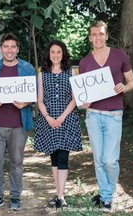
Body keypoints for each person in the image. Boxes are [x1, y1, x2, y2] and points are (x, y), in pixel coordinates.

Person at [79, 20, 133, 210]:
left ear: (106, 35)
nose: (98, 37)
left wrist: (124, 87)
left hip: (113, 115)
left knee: (110, 160)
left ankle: (108, 192)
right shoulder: (85, 62)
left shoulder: (119, 55)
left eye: (101, 33)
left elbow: (132, 82)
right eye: (94, 34)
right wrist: (84, 101)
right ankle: (106, 198)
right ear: (90, 37)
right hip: (93, 115)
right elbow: (83, 93)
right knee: (99, 159)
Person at [0, 33, 35, 211]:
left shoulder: (27, 68)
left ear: (17, 49)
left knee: (16, 162)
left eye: (13, 47)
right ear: (1, 49)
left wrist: (26, 102)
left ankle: (15, 197)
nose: (9, 50)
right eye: (6, 47)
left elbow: (34, 94)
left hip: (18, 125)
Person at [34, 40, 82, 208]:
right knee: (53, 158)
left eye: (59, 52)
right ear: (48, 54)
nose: (55, 55)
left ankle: (61, 197)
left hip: (66, 119)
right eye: (52, 52)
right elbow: (39, 100)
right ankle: (58, 194)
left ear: (63, 54)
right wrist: (47, 117)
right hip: (48, 120)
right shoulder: (42, 74)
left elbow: (75, 99)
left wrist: (61, 117)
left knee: (63, 157)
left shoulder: (71, 72)